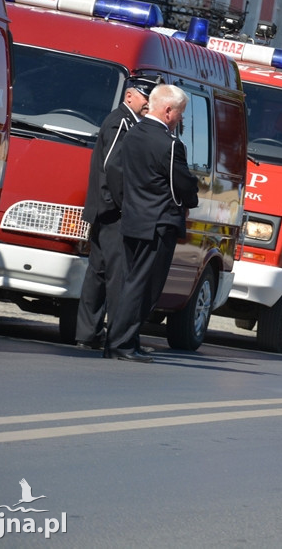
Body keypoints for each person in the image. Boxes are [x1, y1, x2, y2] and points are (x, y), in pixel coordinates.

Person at [105, 84, 199, 362]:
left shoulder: (132, 134)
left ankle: (123, 340)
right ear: (168, 110)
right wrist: (191, 195)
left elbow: (114, 170)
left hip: (133, 218)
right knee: (145, 286)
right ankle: (121, 344)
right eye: (180, 113)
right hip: (158, 222)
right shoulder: (169, 144)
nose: (181, 119)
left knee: (130, 282)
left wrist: (127, 202)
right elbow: (181, 183)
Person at [75, 85, 149, 350]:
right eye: (145, 97)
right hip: (112, 211)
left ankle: (87, 333)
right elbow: (112, 166)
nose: (147, 103)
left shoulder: (126, 121)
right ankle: (118, 338)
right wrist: (122, 204)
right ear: (129, 95)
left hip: (105, 209)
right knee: (117, 276)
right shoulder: (122, 122)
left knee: (99, 272)